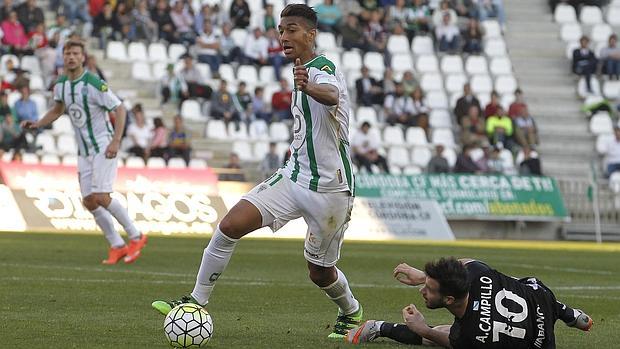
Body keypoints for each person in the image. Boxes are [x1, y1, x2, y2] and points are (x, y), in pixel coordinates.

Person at [152, 4, 363, 340]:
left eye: (291, 29)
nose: (283, 36)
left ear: (311, 34)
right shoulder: (299, 69)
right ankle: (196, 300)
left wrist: (309, 87)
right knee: (229, 225)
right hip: (293, 177)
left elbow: (332, 94)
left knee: (320, 273)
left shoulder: (321, 69)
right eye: (280, 30)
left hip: (330, 190)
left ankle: (351, 311)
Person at [20, 39, 147, 265]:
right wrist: (38, 123)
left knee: (101, 197)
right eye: (67, 53)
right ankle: (117, 245)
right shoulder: (61, 84)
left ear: (82, 57)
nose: (70, 57)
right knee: (89, 200)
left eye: (75, 53)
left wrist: (116, 141)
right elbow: (58, 109)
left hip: (103, 145)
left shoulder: (93, 83)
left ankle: (136, 236)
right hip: (84, 150)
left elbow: (119, 108)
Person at [345, 257, 592, 347]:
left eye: (429, 289)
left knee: (440, 332)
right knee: (523, 286)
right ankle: (569, 314)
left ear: (449, 299)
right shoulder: (477, 272)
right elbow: (464, 263)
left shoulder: (471, 335)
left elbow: (446, 339)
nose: (422, 290)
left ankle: (380, 328)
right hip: (541, 297)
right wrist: (424, 275)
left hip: (539, 344)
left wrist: (423, 328)